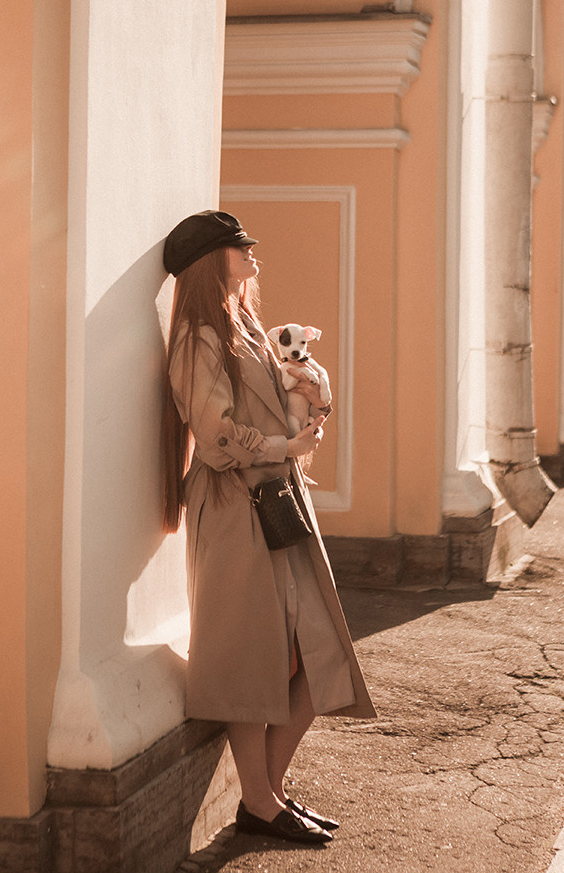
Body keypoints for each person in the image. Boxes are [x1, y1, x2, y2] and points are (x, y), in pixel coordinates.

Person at [161, 210, 376, 847]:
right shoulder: (200, 339)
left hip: (278, 501)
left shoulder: (247, 327)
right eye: (237, 244)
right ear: (209, 262)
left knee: (322, 647)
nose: (252, 250)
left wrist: (315, 395)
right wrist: (283, 446)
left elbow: (280, 410)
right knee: (249, 657)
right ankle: (261, 799)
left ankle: (265, 795)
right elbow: (216, 435)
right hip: (232, 507)